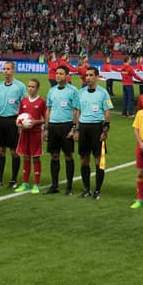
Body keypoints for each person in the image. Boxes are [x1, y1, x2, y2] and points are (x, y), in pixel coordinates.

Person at [77, 66, 112, 200]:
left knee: (99, 161)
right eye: (87, 75)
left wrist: (105, 129)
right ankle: (86, 189)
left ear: (97, 77)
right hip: (84, 128)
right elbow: (78, 111)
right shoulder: (80, 93)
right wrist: (76, 129)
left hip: (97, 127)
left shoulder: (103, 93)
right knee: (84, 159)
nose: (89, 78)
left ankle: (97, 190)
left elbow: (107, 111)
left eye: (91, 75)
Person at [43, 66, 80, 194]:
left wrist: (75, 129)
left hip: (66, 126)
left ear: (67, 76)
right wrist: (46, 128)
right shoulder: (51, 91)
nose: (58, 76)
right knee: (54, 156)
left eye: (61, 73)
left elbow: (76, 110)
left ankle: (69, 187)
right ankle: (54, 185)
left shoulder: (73, 91)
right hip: (53, 126)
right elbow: (48, 109)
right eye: (56, 73)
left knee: (68, 155)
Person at [0, 61, 27, 189]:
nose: (5, 71)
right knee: (1, 151)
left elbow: (24, 106)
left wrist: (21, 123)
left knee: (14, 152)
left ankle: (13, 180)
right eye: (4, 69)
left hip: (13, 121)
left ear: (13, 70)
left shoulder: (20, 87)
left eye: (8, 69)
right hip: (0, 120)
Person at [16, 78, 48, 192]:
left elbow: (45, 119)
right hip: (24, 133)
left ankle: (36, 184)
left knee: (35, 157)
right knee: (25, 156)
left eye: (32, 87)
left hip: (36, 133)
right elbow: (19, 116)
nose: (30, 89)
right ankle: (25, 183)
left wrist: (35, 122)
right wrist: (19, 124)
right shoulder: (24, 101)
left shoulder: (42, 102)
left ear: (37, 88)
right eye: (29, 86)